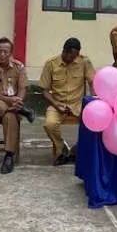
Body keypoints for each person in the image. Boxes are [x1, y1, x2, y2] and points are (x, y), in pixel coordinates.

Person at [0, 37, 34, 175]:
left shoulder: (19, 67)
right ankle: (20, 111)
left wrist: (18, 101)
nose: (2, 54)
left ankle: (9, 156)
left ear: (11, 53)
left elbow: (22, 89)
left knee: (10, 116)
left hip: (13, 103)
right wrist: (9, 101)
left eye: (5, 51)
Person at [41, 38, 94, 166]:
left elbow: (93, 82)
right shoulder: (51, 64)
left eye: (76, 56)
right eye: (71, 55)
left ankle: (76, 150)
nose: (73, 58)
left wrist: (94, 102)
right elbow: (45, 91)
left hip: (78, 104)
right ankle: (62, 148)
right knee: (49, 124)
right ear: (64, 51)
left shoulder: (84, 62)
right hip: (57, 103)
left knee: (94, 125)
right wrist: (55, 104)